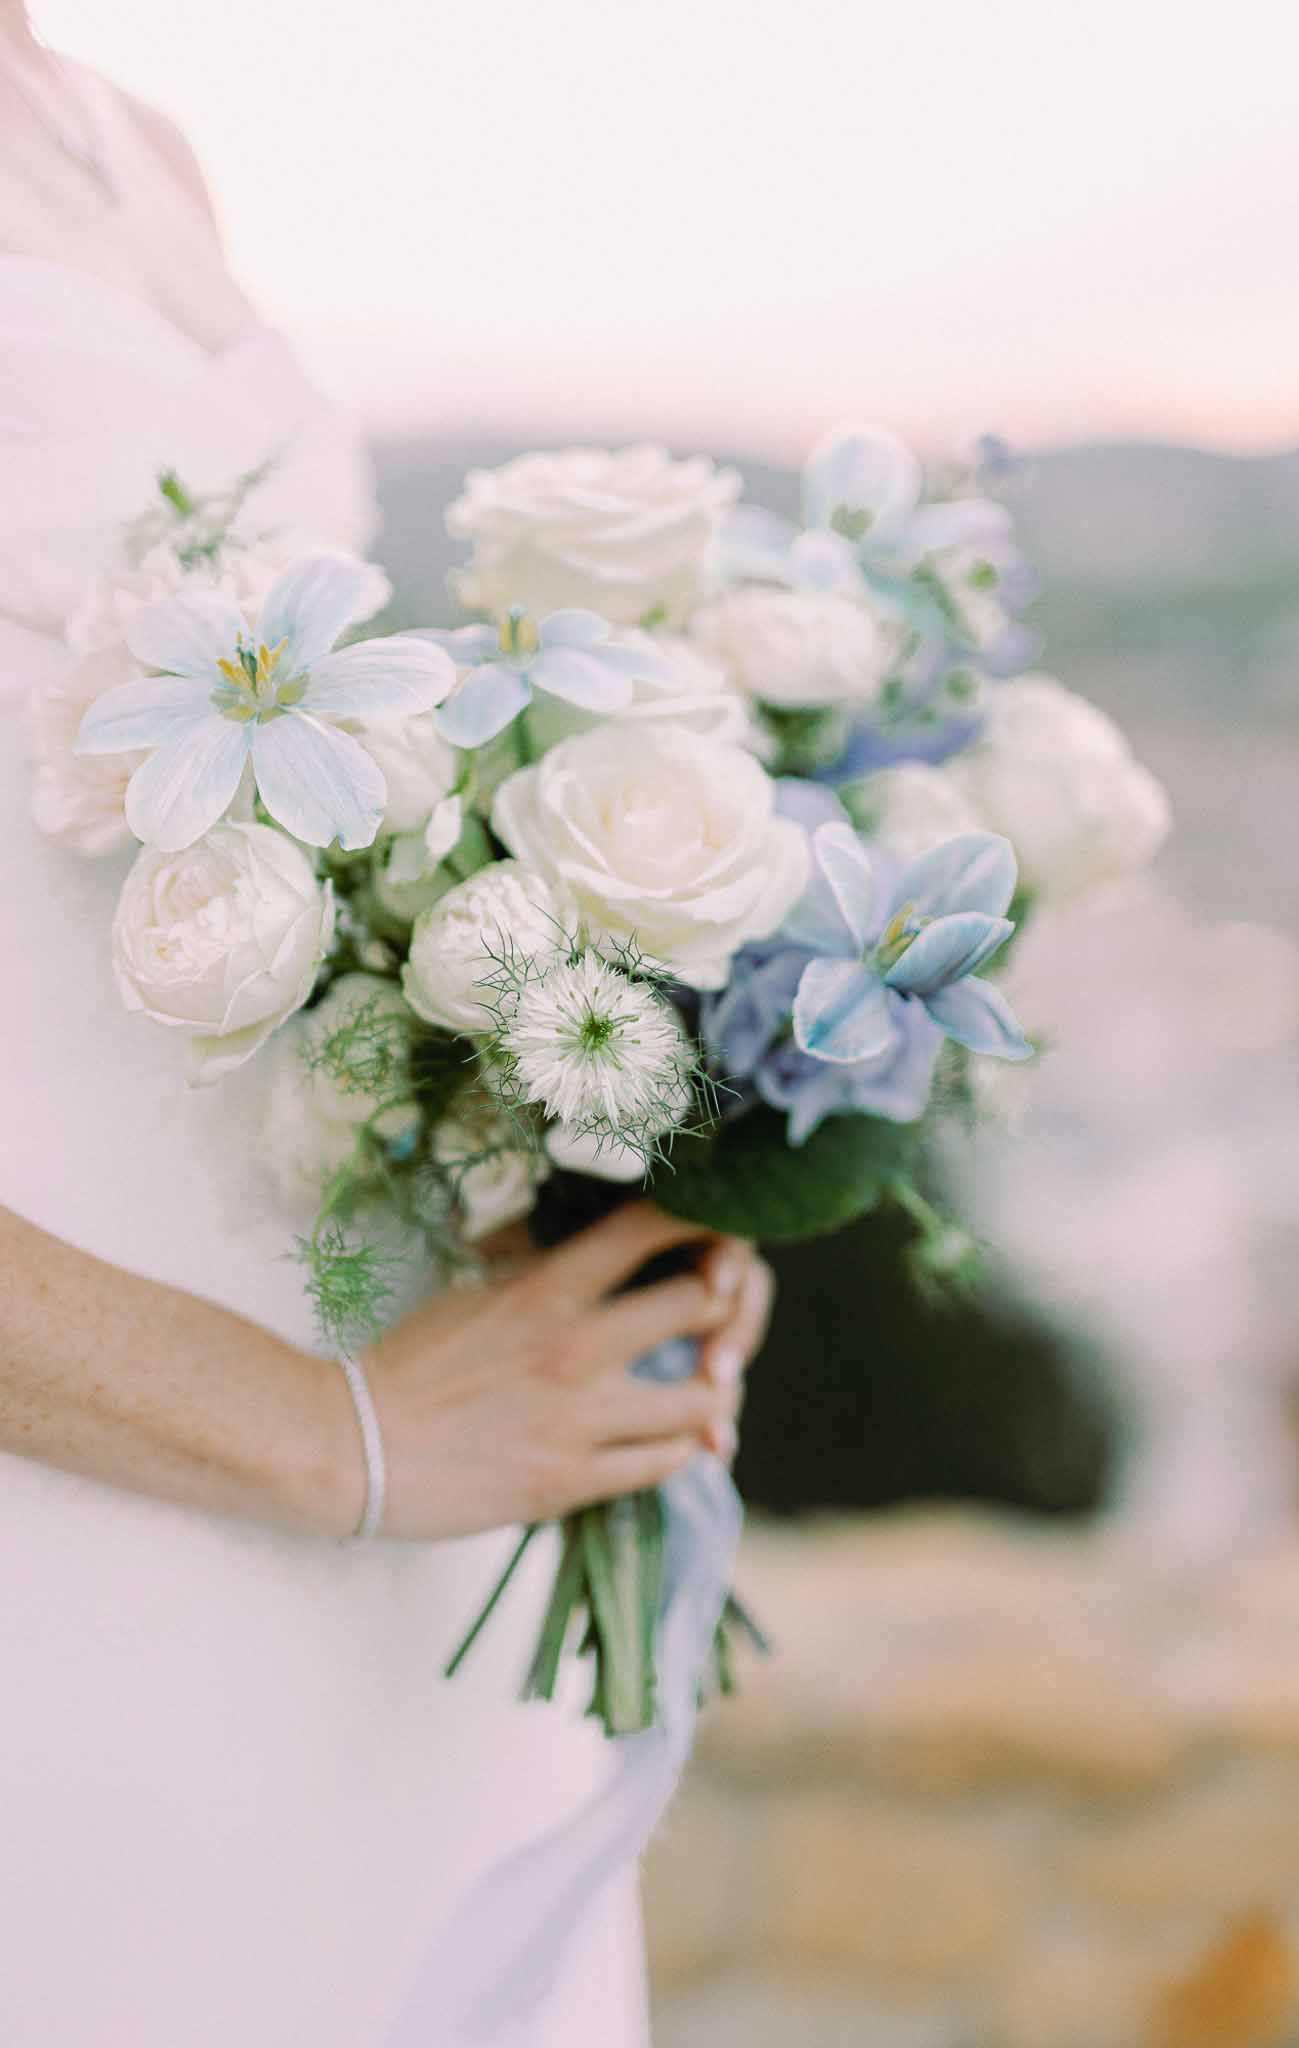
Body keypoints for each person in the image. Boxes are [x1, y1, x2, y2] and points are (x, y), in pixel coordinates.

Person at [0, 11, 772, 2044]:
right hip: (94, 1520)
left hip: (399, 1513)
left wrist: (566, 1176)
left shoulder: (123, 132)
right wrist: (320, 1428)